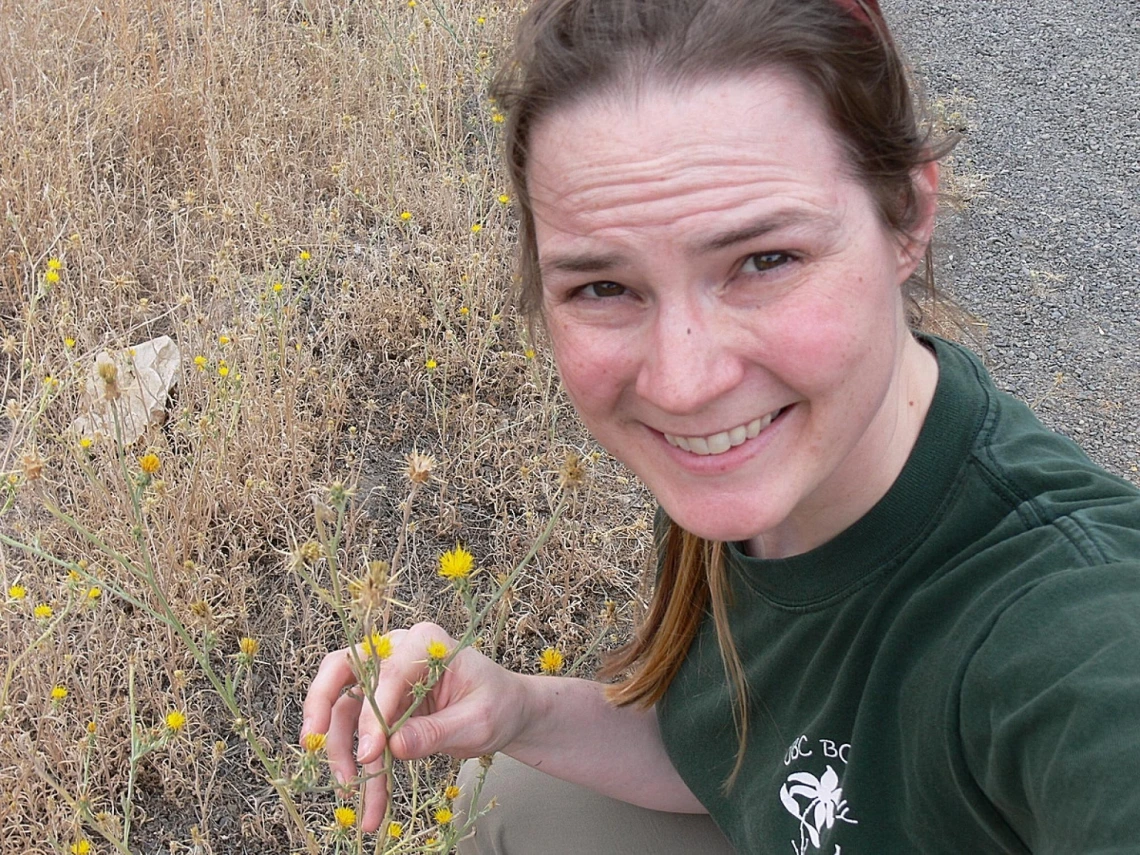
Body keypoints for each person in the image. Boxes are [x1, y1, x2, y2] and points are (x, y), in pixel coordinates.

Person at [303, 0, 1140, 851]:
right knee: (515, 789)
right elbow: (741, 761)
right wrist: (515, 707)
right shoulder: (775, 466)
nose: (684, 383)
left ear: (908, 219)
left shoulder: (1067, 625)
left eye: (764, 261)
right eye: (604, 287)